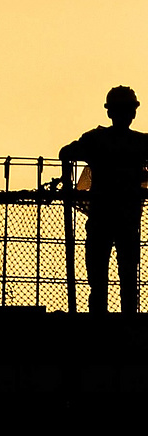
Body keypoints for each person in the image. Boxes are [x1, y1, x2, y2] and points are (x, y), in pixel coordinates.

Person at [59, 86, 148, 313]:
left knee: (99, 273)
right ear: (133, 112)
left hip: (102, 217)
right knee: (127, 273)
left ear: (109, 112)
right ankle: (128, 317)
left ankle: (99, 318)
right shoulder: (140, 144)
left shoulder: (96, 140)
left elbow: (66, 152)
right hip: (126, 218)